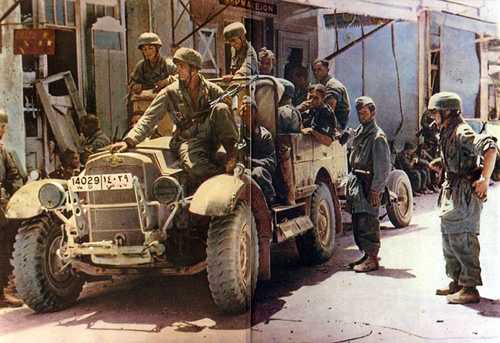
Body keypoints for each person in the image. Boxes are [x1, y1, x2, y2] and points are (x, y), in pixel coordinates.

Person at [111, 47, 238, 191]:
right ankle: (222, 181)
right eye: (177, 66)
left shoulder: (213, 90)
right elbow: (149, 118)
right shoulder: (170, 92)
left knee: (221, 107)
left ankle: (232, 156)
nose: (178, 70)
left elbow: (228, 117)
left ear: (194, 70)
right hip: (188, 140)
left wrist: (231, 146)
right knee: (194, 168)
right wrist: (129, 141)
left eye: (182, 67)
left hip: (211, 137)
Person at [429, 92, 498, 304]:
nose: (433, 117)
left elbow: (490, 148)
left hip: (464, 192)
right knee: (449, 237)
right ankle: (457, 282)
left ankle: (470, 288)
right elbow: (458, 155)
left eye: (435, 112)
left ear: (446, 111)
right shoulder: (447, 130)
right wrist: (444, 163)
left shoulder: (461, 130)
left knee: (463, 237)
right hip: (452, 188)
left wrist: (484, 179)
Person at [346, 96, 391, 272]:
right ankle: (366, 255)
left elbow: (383, 166)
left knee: (369, 222)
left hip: (368, 184)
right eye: (359, 113)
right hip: (358, 183)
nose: (361, 116)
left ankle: (372, 259)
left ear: (373, 113)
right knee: (358, 222)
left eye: (364, 112)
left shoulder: (377, 136)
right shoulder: (361, 132)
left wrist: (376, 190)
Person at [0, 110, 24, 307]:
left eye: (3, 127)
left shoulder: (2, 150)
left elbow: (13, 175)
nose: (2, 131)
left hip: (1, 207)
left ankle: (0, 293)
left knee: (3, 249)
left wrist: (12, 198)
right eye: (0, 127)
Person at [240, 96, 276, 204]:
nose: (244, 114)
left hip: (258, 171)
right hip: (241, 169)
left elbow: (271, 163)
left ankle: (268, 203)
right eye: (242, 111)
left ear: (255, 113)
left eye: (247, 111)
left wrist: (251, 161)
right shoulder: (237, 132)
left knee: (258, 173)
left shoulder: (264, 136)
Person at [311, 58, 351, 129]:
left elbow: (328, 111)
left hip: (336, 127)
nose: (316, 72)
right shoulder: (322, 84)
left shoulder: (332, 85)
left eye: (319, 69)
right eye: (314, 70)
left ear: (327, 70)